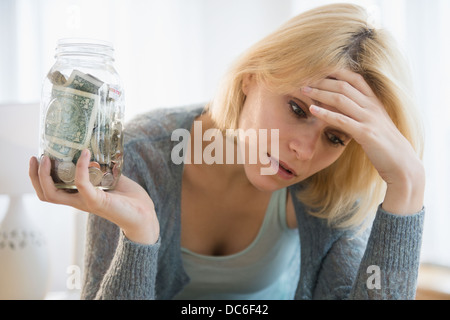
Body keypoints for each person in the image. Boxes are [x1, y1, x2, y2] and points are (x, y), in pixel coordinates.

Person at [29, 3, 425, 300]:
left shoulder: (332, 190)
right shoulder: (137, 158)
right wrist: (140, 234)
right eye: (296, 109)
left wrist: (408, 185)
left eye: (336, 138)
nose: (304, 151)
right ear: (252, 77)